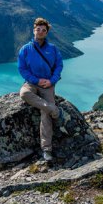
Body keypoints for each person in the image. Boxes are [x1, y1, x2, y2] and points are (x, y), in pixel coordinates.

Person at [18, 17, 69, 162]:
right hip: (32, 82)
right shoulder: (25, 49)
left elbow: (59, 66)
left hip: (47, 84)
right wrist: (36, 80)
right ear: (33, 31)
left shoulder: (52, 49)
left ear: (46, 33)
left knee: (44, 115)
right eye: (38, 29)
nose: (40, 32)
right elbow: (22, 69)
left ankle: (47, 149)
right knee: (24, 93)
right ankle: (53, 109)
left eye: (43, 30)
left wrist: (51, 81)